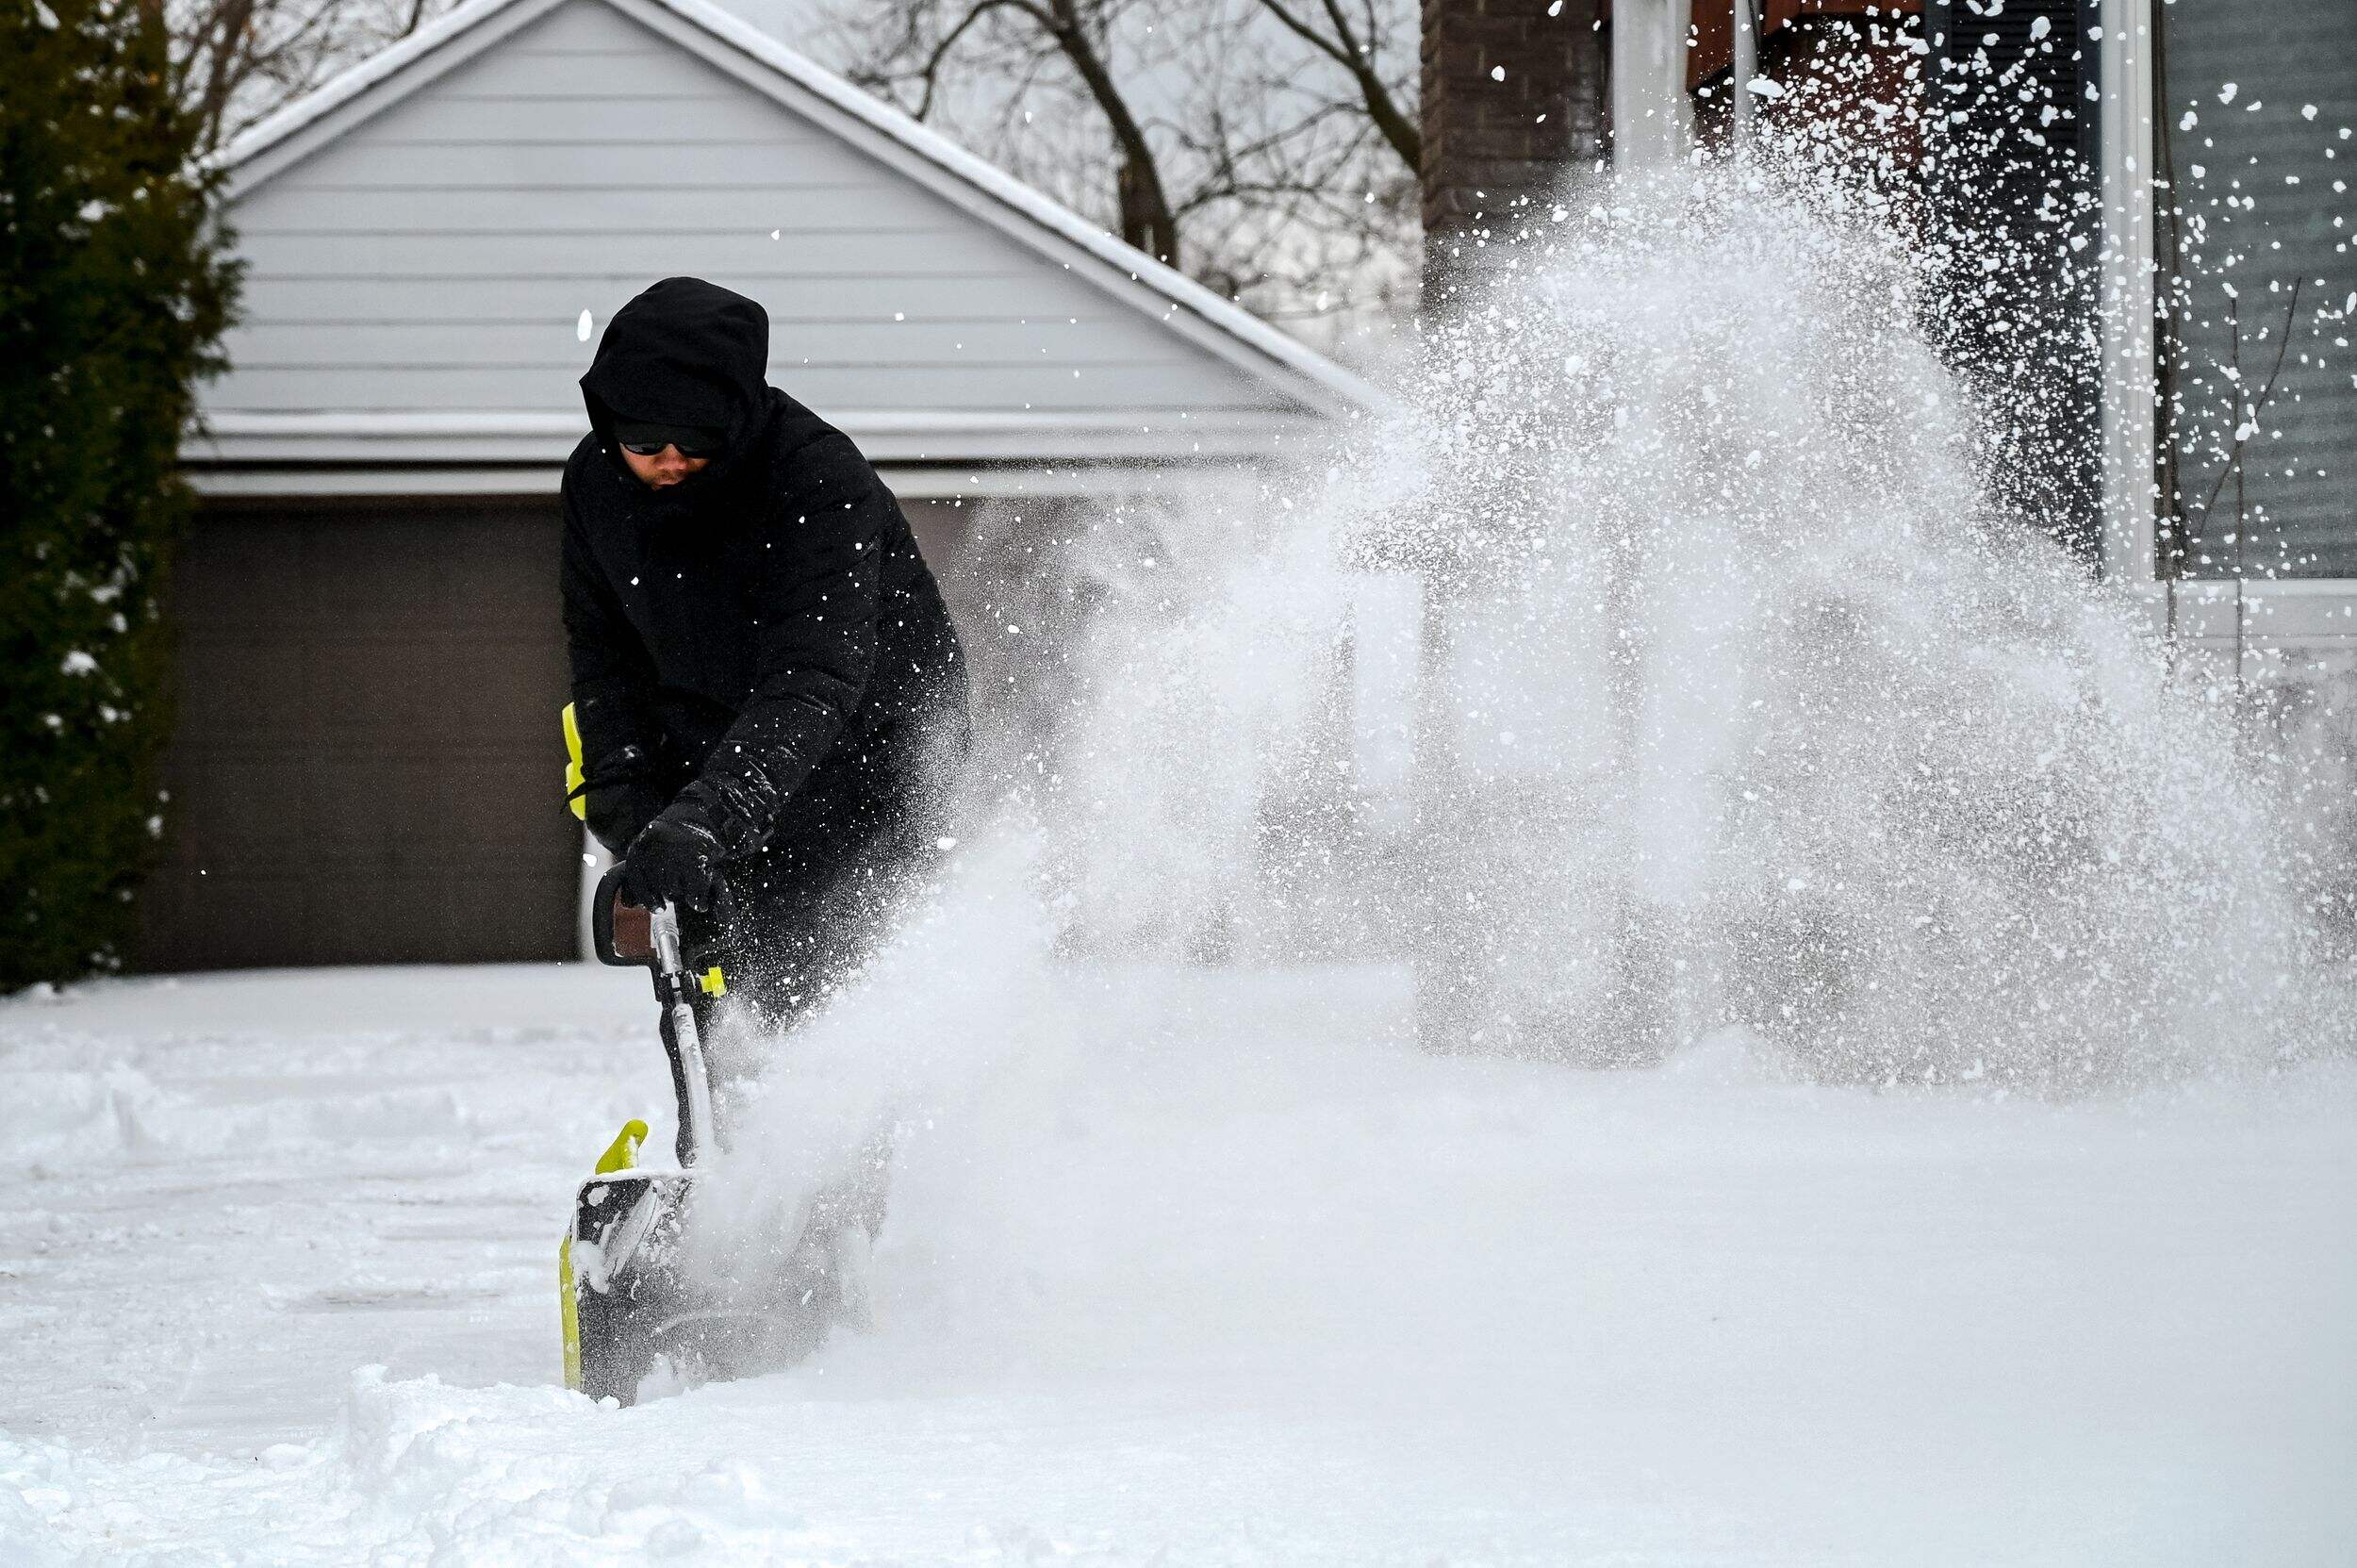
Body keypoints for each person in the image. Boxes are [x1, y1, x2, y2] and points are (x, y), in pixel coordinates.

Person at [561, 276, 969, 1166]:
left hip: (874, 755)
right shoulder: (595, 490)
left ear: (737, 420)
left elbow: (814, 678)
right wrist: (641, 822)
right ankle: (726, 1195)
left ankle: (845, 1207)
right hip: (718, 748)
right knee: (703, 987)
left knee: (808, 981)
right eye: (642, 440)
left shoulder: (817, 478)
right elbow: (605, 667)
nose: (667, 459)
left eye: (694, 440)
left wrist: (708, 819)